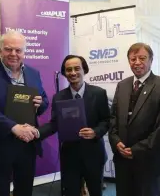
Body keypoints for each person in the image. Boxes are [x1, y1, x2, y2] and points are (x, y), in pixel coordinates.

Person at [0, 30, 49, 196]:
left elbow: (44, 100)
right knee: (0, 191)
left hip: (27, 144)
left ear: (24, 52)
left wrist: (40, 103)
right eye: (8, 49)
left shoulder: (33, 73)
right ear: (0, 50)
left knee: (24, 191)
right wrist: (14, 127)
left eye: (18, 50)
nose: (13, 54)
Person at [108, 42, 160, 196]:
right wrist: (116, 141)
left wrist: (136, 150)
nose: (137, 62)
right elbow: (113, 118)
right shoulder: (122, 85)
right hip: (123, 160)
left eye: (142, 58)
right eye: (133, 59)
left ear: (151, 60)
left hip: (149, 161)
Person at [38, 55, 110, 196]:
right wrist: (37, 133)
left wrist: (95, 132)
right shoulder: (58, 97)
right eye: (68, 69)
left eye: (77, 68)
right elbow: (54, 124)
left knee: (96, 192)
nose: (72, 72)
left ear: (84, 70)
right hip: (70, 156)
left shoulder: (99, 93)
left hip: (94, 154)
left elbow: (107, 120)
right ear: (64, 73)